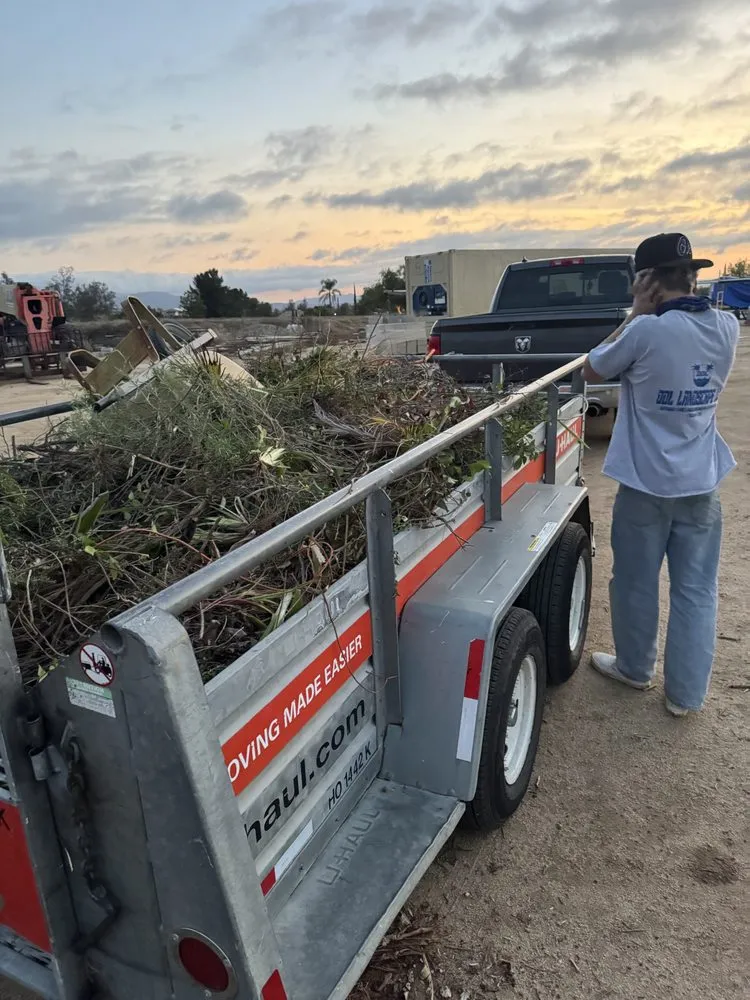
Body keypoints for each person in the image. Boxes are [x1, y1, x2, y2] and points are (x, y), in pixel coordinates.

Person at [582, 233, 739, 717]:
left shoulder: (644, 332)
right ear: (694, 277)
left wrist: (635, 311)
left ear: (646, 280)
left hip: (647, 485)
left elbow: (592, 370)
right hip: (701, 484)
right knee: (696, 590)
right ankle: (686, 696)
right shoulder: (728, 327)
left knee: (634, 581)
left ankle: (635, 668)